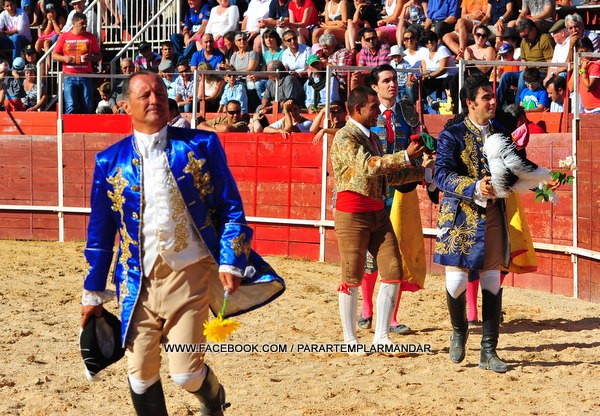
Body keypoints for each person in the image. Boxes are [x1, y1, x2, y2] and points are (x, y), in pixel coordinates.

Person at [80, 70, 284, 415]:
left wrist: (231, 260)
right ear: (125, 106)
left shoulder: (201, 145)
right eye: (145, 95)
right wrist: (93, 292)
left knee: (185, 373)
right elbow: (99, 233)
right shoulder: (108, 161)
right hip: (137, 281)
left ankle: (213, 398)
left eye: (160, 93)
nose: (155, 100)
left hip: (191, 273)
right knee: (140, 376)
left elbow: (230, 207)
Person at [330, 85, 426, 352]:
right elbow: (368, 167)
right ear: (357, 108)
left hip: (377, 212)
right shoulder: (345, 136)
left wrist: (423, 173)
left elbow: (387, 176)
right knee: (351, 275)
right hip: (352, 215)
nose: (378, 113)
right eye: (373, 108)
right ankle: (350, 340)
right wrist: (405, 156)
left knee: (393, 270)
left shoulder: (372, 137)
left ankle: (381, 337)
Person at [434, 74, 515, 373]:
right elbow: (441, 175)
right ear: (470, 103)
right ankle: (459, 331)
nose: (493, 101)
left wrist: (536, 180)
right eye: (486, 97)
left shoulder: (501, 131)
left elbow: (514, 166)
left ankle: (488, 351)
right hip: (460, 215)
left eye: (493, 96)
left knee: (491, 280)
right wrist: (474, 187)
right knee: (456, 282)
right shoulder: (452, 135)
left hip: (493, 213)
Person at [356, 64, 430, 335]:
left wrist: (421, 167)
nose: (392, 84)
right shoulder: (366, 112)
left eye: (394, 80)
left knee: (396, 251)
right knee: (369, 252)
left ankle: (393, 316)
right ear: (374, 86)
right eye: (386, 81)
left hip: (400, 190)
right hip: (373, 188)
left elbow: (419, 144)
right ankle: (366, 309)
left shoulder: (407, 109)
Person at [52, 12, 101, 114]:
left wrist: (90, 58)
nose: (85, 25)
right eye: (82, 23)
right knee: (71, 105)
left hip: (86, 75)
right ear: (74, 24)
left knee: (88, 105)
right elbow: (54, 55)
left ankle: (86, 123)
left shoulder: (90, 37)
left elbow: (98, 55)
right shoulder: (64, 37)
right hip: (69, 76)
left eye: (85, 23)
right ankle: (69, 124)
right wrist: (65, 58)